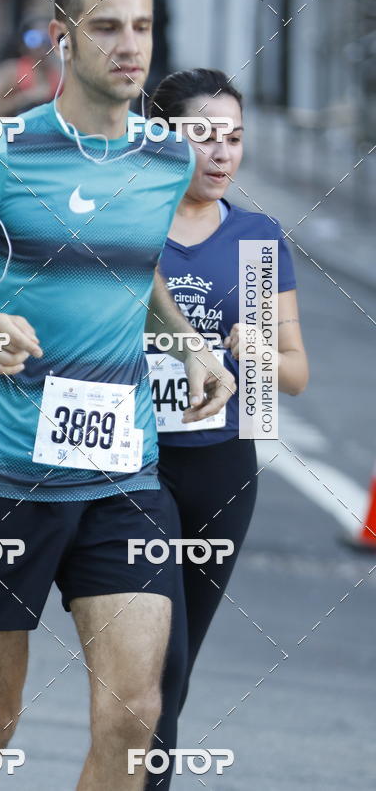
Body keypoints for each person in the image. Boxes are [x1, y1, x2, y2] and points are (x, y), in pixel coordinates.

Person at [0, 0, 235, 790]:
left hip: (124, 481)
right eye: (107, 27)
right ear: (63, 37)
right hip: (4, 479)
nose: (131, 47)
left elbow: (137, 262)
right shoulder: (1, 155)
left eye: (143, 27)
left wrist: (190, 341)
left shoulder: (165, 159)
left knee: (135, 718)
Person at [144, 68, 309, 789]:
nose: (221, 154)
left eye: (234, 138)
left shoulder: (257, 238)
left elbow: (298, 373)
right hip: (130, 467)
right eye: (202, 136)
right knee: (152, 660)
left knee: (173, 677)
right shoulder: (131, 225)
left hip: (220, 471)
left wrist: (259, 352)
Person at [0, 16, 60, 117]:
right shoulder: (11, 71)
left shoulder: (58, 79)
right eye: (34, 39)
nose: (41, 45)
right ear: (23, 42)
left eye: (47, 40)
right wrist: (24, 99)